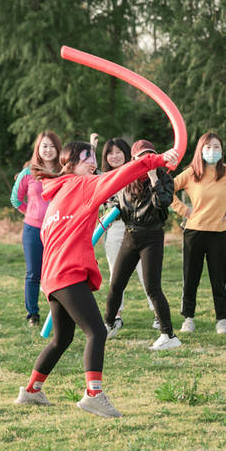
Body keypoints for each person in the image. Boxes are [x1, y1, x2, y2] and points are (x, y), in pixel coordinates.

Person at [14, 140, 178, 418]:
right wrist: (159, 159)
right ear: (72, 165)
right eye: (86, 158)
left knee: (62, 338)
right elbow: (122, 175)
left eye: (92, 157)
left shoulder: (59, 190)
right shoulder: (82, 185)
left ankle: (31, 391)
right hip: (67, 273)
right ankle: (93, 394)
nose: (92, 162)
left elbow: (47, 235)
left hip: (53, 274)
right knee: (97, 331)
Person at [171, 132, 226, 335]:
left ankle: (222, 320)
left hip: (219, 234)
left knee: (219, 278)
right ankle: (188, 319)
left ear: (222, 150)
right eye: (208, 147)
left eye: (216, 147)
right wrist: (184, 210)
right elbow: (167, 190)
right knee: (191, 277)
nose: (212, 151)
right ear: (200, 150)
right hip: (194, 233)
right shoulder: (191, 173)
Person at [103, 140, 180, 351]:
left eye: (149, 156)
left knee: (152, 287)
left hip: (152, 236)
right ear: (134, 160)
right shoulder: (126, 178)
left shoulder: (164, 178)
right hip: (130, 235)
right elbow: (118, 202)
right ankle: (108, 324)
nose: (145, 161)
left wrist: (154, 178)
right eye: (140, 158)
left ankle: (168, 334)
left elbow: (162, 203)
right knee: (116, 283)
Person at [100, 137, 156, 330]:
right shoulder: (103, 178)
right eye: (110, 153)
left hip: (137, 227)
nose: (114, 157)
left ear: (127, 155)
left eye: (118, 152)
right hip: (114, 229)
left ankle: (157, 314)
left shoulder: (136, 174)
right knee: (116, 275)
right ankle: (116, 315)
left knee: (147, 273)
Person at [10, 131, 62, 327]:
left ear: (58, 148)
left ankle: (57, 313)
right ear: (38, 149)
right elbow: (16, 199)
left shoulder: (64, 172)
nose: (48, 150)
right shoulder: (28, 173)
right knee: (33, 273)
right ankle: (33, 314)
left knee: (57, 272)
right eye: (44, 146)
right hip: (32, 230)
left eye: (52, 146)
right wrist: (30, 213)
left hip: (57, 231)